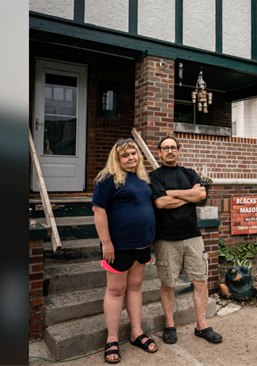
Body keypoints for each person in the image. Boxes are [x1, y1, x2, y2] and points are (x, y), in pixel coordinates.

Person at [149, 136, 223, 345]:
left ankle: (202, 326)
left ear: (178, 151)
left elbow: (200, 194)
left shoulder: (189, 173)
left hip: (193, 237)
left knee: (200, 281)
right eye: (165, 148)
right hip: (166, 239)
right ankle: (170, 325)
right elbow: (161, 203)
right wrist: (187, 195)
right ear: (160, 153)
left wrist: (174, 193)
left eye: (173, 147)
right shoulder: (154, 176)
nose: (170, 151)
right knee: (167, 284)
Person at [91, 138, 158, 363]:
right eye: (125, 155)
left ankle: (136, 332)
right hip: (119, 246)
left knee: (135, 287)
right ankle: (112, 339)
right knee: (116, 290)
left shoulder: (142, 179)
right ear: (117, 158)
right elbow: (99, 212)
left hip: (142, 245)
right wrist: (106, 243)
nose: (131, 158)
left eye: (133, 153)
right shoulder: (107, 179)